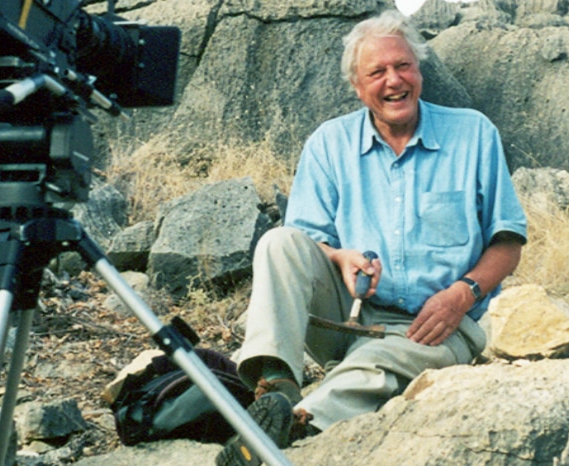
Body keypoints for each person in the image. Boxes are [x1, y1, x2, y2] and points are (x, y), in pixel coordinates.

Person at [216, 9, 527, 466]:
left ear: (420, 72)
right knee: (278, 242)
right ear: (358, 87)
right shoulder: (328, 143)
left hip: (436, 326)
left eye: (403, 66)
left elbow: (508, 241)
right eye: (376, 72)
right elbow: (307, 239)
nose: (393, 80)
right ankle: (277, 379)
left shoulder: (473, 133)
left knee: (375, 367)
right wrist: (339, 257)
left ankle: (295, 421)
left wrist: (462, 295)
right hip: (348, 317)